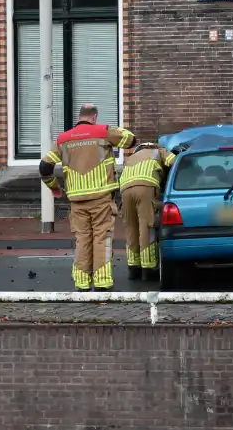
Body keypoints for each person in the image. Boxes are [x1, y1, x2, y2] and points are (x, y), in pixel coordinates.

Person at [39, 103, 136, 291]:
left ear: (79, 117)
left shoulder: (63, 139)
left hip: (76, 201)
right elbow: (131, 140)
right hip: (101, 198)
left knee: (82, 239)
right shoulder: (103, 132)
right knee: (102, 238)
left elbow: (44, 167)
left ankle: (82, 283)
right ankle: (102, 283)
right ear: (94, 117)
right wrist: (112, 129)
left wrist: (55, 188)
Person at [119, 140, 179, 281]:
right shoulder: (158, 151)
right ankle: (148, 268)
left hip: (125, 190)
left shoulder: (130, 158)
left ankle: (133, 268)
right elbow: (174, 162)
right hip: (146, 187)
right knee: (146, 226)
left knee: (131, 227)